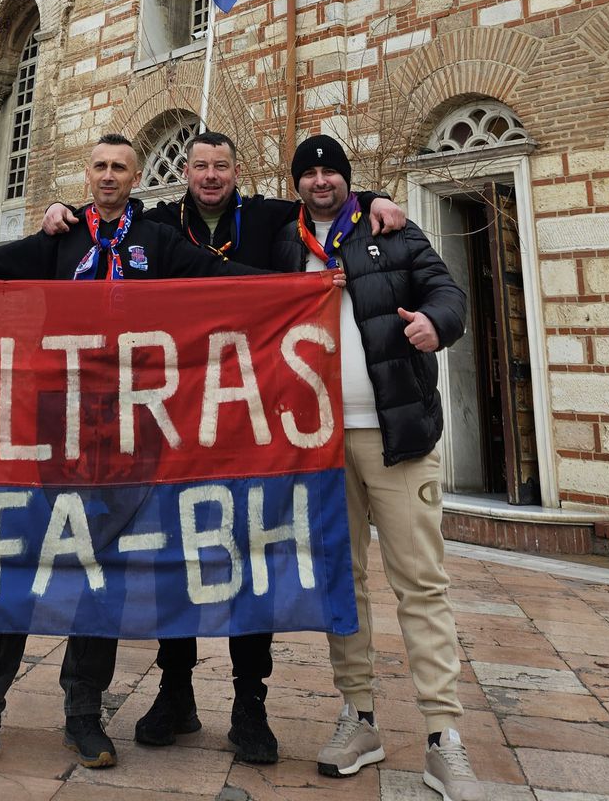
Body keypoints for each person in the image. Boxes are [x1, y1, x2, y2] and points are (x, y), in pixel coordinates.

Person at [0, 133, 261, 778]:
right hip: (51, 429)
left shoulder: (157, 242)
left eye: (120, 168)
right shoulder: (60, 238)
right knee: (16, 559)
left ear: (136, 178)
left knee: (95, 570)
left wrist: (309, 285)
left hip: (127, 434)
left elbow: (221, 278)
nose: (108, 176)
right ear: (88, 173)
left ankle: (83, 713)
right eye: (99, 166)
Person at [43, 129, 407, 765]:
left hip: (252, 417)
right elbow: (101, 217)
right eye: (200, 166)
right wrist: (65, 213)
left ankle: (250, 706)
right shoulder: (157, 223)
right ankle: (176, 693)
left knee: (251, 555)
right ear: (185, 172)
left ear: (238, 172)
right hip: (178, 419)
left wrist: (374, 198)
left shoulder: (267, 216)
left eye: (222, 167)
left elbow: (324, 195)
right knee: (181, 552)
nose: (211, 176)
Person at [268, 133, 481, 801]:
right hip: (318, 442)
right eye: (311, 171)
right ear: (297, 182)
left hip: (397, 433)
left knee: (420, 584)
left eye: (332, 170)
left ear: (347, 180)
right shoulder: (282, 243)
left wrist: (436, 325)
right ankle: (359, 717)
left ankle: (445, 737)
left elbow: (448, 292)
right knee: (344, 582)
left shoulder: (391, 228)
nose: (322, 179)